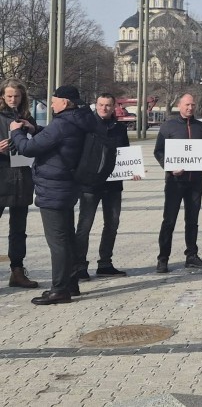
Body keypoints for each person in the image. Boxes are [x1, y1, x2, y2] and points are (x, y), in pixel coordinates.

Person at [10, 85, 96, 305]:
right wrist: (33, 129)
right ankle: (70, 283)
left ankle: (58, 289)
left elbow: (29, 149)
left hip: (54, 189)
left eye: (54, 100)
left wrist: (16, 132)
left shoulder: (62, 123)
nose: (52, 104)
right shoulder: (81, 119)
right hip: (68, 185)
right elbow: (55, 140)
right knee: (67, 238)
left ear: (65, 102)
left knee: (57, 242)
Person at [74, 93, 138, 281]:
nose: (104, 108)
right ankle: (79, 266)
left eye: (108, 105)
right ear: (96, 106)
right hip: (90, 184)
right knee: (84, 226)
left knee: (112, 224)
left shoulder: (119, 128)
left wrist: (133, 170)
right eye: (101, 105)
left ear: (114, 107)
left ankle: (105, 264)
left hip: (113, 185)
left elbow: (125, 154)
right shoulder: (88, 126)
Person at [153, 93, 202, 273]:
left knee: (193, 220)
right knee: (169, 220)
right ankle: (163, 258)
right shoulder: (168, 126)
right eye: (187, 105)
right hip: (175, 181)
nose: (190, 108)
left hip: (195, 181)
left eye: (193, 105)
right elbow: (158, 152)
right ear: (179, 105)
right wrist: (169, 167)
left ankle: (192, 256)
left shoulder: (201, 127)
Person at [0, 79, 40, 289]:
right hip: (1, 177)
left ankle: (17, 271)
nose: (13, 100)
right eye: (9, 96)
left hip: (22, 179)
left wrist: (32, 129)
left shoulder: (26, 117)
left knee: (19, 229)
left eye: (16, 96)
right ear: (2, 97)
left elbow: (40, 142)